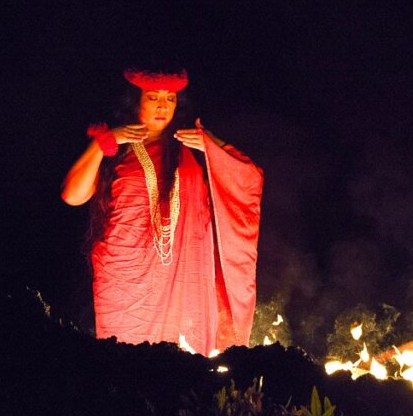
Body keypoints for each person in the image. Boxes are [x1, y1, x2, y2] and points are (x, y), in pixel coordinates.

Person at [61, 68, 263, 355]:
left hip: (184, 274)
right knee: (125, 358)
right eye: (153, 97)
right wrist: (101, 143)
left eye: (169, 99)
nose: (162, 106)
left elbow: (248, 179)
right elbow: (72, 195)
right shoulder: (114, 145)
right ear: (134, 101)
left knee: (182, 363)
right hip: (126, 275)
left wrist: (213, 143)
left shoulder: (186, 144)